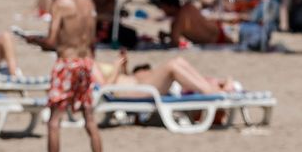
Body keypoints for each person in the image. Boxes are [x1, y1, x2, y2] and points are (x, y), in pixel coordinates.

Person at [21, 0, 107, 152]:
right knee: (90, 120)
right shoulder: (88, 3)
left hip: (67, 63)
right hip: (86, 63)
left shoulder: (60, 4)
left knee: (54, 121)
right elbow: (93, 40)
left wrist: (34, 40)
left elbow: (51, 41)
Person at [98, 49, 238, 96]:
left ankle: (212, 87)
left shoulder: (92, 66)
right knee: (172, 66)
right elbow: (104, 90)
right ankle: (212, 92)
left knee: (178, 60)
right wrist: (116, 67)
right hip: (137, 91)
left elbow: (120, 80)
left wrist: (123, 67)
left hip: (138, 86)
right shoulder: (91, 71)